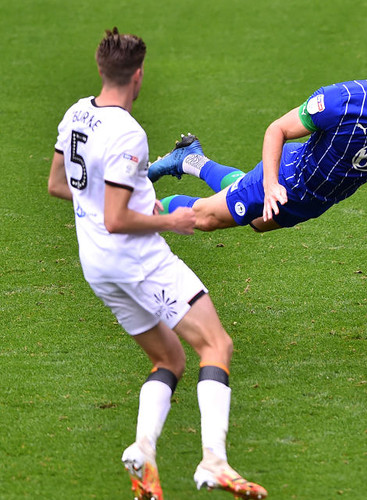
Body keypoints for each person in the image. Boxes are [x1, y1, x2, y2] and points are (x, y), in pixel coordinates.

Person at [47, 28, 267, 500]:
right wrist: (174, 221)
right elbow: (117, 217)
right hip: (138, 261)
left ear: (101, 68)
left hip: (98, 267)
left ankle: (144, 451)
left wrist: (110, 193)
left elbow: (58, 184)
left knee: (169, 359)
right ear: (139, 75)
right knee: (217, 345)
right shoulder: (129, 134)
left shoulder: (75, 114)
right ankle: (215, 461)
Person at [147, 48, 367, 257]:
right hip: (288, 179)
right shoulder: (340, 102)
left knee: (257, 222)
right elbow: (277, 130)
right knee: (207, 218)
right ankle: (135, 212)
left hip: (316, 200)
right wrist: (271, 184)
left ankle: (190, 159)